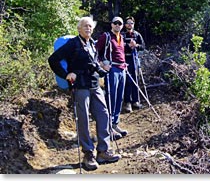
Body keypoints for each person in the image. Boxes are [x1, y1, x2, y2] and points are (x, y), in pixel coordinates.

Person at [48, 16, 121, 171]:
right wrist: (66, 74)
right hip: (80, 86)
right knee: (83, 120)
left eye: (90, 26)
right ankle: (88, 154)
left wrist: (101, 69)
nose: (88, 28)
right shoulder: (72, 44)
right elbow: (53, 60)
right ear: (79, 29)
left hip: (94, 85)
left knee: (104, 114)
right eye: (85, 26)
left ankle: (103, 150)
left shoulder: (93, 44)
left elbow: (94, 64)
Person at [96, 16, 128, 139]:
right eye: (115, 23)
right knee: (111, 97)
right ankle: (108, 126)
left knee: (119, 98)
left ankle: (115, 123)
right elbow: (95, 51)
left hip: (122, 69)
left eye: (120, 23)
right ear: (111, 24)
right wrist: (102, 64)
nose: (117, 25)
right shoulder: (106, 36)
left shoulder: (122, 37)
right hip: (112, 69)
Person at [122, 16, 145, 113]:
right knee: (127, 80)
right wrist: (128, 46)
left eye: (131, 23)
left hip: (134, 59)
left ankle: (135, 101)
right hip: (125, 59)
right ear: (125, 24)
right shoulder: (122, 35)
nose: (129, 24)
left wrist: (136, 45)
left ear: (133, 24)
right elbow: (119, 46)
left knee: (135, 78)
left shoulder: (137, 35)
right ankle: (127, 102)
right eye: (128, 23)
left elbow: (143, 46)